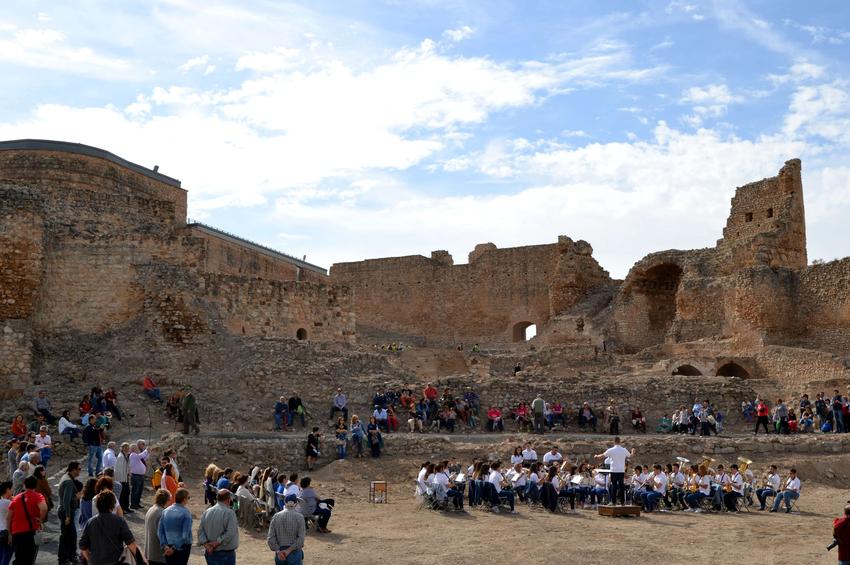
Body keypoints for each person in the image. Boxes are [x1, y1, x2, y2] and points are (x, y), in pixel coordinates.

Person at [79, 491, 140, 565]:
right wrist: (139, 560)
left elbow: (82, 545)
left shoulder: (90, 522)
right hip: (114, 560)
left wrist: (90, 559)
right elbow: (131, 543)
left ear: (97, 505)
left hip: (95, 561)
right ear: (112, 506)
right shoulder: (119, 521)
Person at [7, 476, 47, 565]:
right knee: (29, 558)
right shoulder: (38, 496)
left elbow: (8, 517)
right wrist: (40, 519)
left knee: (19, 558)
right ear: (36, 485)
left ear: (24, 485)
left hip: (17, 532)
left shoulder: (16, 498)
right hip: (31, 531)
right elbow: (44, 508)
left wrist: (9, 533)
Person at [198, 489, 239, 565]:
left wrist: (206, 544)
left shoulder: (207, 512)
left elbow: (200, 531)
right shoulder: (230, 513)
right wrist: (217, 542)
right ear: (229, 499)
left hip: (210, 552)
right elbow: (230, 533)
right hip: (225, 554)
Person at [594, 437, 635, 506]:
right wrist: (633, 451)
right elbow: (631, 456)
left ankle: (613, 502)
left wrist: (596, 456)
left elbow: (602, 456)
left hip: (614, 470)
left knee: (614, 486)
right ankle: (622, 502)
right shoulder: (624, 450)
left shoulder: (611, 450)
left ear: (614, 442)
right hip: (621, 471)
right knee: (621, 486)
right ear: (620, 442)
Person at [158, 488, 193, 565]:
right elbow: (185, 535)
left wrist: (164, 545)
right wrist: (173, 548)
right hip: (182, 548)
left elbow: (160, 531)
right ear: (184, 499)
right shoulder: (186, 513)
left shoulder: (165, 511)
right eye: (188, 498)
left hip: (168, 546)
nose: (188, 500)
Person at [267, 494, 305, 565]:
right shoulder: (300, 517)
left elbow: (270, 537)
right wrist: (288, 550)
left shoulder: (276, 516)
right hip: (294, 553)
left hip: (280, 553)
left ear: (285, 503)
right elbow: (301, 539)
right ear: (296, 503)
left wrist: (278, 551)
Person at [57, 462, 82, 565]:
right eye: (79, 469)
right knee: (66, 537)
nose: (80, 471)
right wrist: (68, 516)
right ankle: (63, 559)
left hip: (66, 511)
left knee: (70, 536)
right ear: (73, 470)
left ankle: (69, 557)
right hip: (66, 512)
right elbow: (66, 501)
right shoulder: (68, 481)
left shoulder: (67, 478)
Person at [144, 489, 171, 565]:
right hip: (158, 555)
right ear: (165, 500)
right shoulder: (161, 513)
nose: (170, 502)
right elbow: (162, 534)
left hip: (149, 552)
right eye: (169, 500)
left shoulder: (151, 509)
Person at [129, 441, 151, 510]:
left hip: (140, 476)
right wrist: (146, 450)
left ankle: (137, 503)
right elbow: (141, 456)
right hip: (136, 476)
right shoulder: (133, 455)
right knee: (135, 491)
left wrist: (148, 452)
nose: (138, 449)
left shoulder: (136, 456)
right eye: (136, 448)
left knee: (139, 491)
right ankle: (133, 505)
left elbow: (144, 458)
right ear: (133, 449)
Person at [114, 443, 131, 513]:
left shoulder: (126, 455)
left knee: (127, 493)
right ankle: (122, 509)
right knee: (122, 494)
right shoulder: (121, 456)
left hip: (125, 478)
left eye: (128, 447)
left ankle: (126, 507)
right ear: (123, 448)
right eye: (126, 448)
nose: (127, 449)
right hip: (121, 478)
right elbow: (119, 469)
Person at [0, 481, 13, 565]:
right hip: (6, 532)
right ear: (7, 490)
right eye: (11, 489)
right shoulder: (9, 503)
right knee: (7, 556)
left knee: (1, 556)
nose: (12, 491)